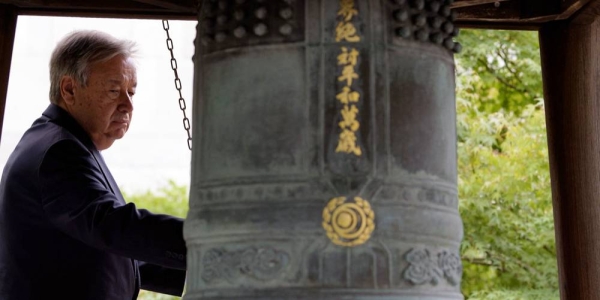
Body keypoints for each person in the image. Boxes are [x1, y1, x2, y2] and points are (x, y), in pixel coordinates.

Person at [0, 30, 187, 299]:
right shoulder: (58, 152)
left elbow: (103, 249)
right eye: (113, 91)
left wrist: (202, 270)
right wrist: (210, 242)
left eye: (131, 92)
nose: (128, 105)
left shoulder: (62, 142)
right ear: (69, 89)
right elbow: (113, 227)